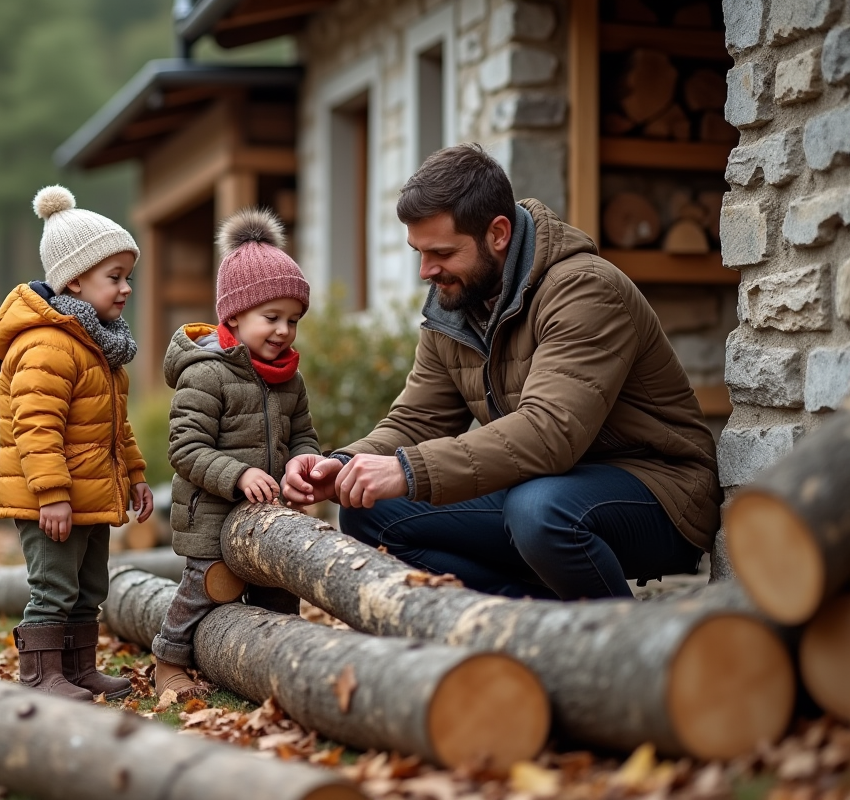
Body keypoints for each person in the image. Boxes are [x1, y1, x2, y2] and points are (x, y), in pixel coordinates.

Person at [282, 144, 721, 601]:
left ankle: (615, 650)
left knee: (540, 510)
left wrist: (410, 470)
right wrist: (343, 464)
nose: (425, 271)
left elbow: (550, 432)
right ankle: (523, 630)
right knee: (370, 512)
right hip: (546, 484)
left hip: (658, 493)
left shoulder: (585, 290)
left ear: (498, 233)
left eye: (442, 253)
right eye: (419, 251)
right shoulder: (456, 302)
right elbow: (418, 421)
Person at [0, 185, 153, 700]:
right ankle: (41, 675)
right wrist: (52, 493)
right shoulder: (48, 346)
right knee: (53, 588)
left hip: (90, 495)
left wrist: (135, 474)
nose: (126, 288)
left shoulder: (100, 350)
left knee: (89, 588)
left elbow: (114, 427)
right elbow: (34, 427)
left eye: (128, 276)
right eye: (114, 277)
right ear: (76, 282)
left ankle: (79, 668)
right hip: (53, 500)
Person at [152, 208, 321, 701]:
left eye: (293, 320)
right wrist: (239, 474)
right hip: (211, 517)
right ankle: (168, 661)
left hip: (268, 519)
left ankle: (272, 665)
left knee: (277, 593)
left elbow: (305, 435)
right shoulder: (205, 374)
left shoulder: (291, 380)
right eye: (271, 318)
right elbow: (185, 449)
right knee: (206, 588)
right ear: (234, 315)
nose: (283, 331)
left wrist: (300, 462)